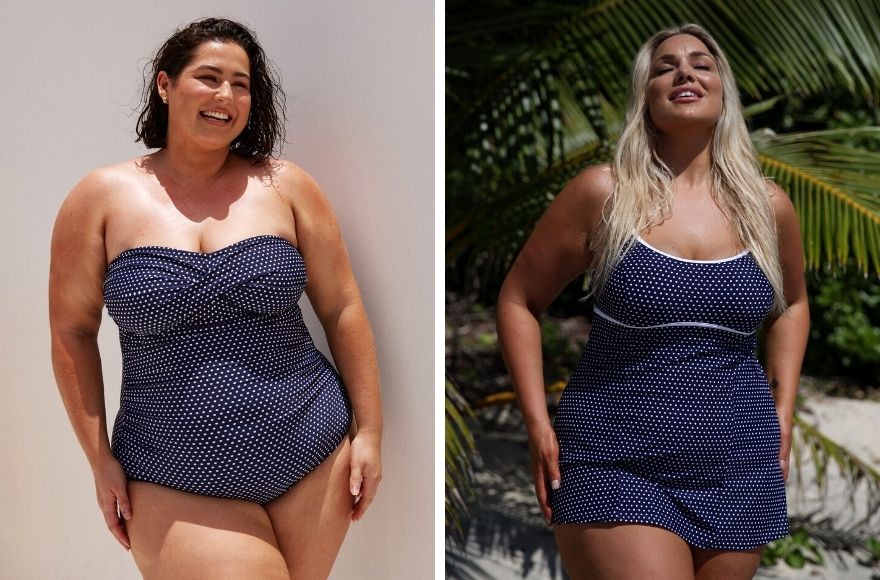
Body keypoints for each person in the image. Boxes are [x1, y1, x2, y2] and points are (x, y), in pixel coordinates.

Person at [48, 17, 382, 579]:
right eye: (208, 77)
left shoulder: (287, 186)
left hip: (313, 450)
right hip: (171, 468)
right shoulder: (101, 198)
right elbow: (71, 333)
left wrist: (370, 431)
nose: (226, 95)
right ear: (165, 85)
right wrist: (99, 459)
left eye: (241, 83)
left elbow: (342, 306)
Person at [496, 23, 808, 580]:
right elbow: (519, 299)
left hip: (740, 461)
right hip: (614, 458)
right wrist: (538, 424)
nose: (684, 71)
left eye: (701, 63)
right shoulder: (603, 194)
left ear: (722, 90)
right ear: (646, 95)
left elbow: (793, 305)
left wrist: (783, 411)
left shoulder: (769, 207)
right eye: (665, 66)